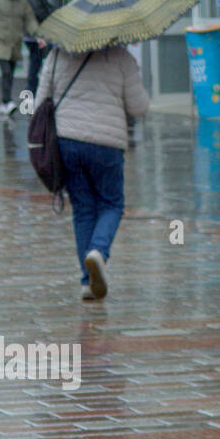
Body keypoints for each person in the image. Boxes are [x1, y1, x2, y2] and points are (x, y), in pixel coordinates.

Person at [34, 43, 150, 300]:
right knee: (111, 204)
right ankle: (98, 251)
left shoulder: (57, 54)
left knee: (84, 209)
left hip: (67, 142)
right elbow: (138, 107)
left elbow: (40, 102)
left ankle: (87, 282)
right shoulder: (121, 57)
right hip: (107, 144)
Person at [23, 0, 58, 98]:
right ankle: (31, 95)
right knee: (35, 65)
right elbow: (40, 12)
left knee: (37, 64)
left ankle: (34, 93)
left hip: (34, 35)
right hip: (34, 36)